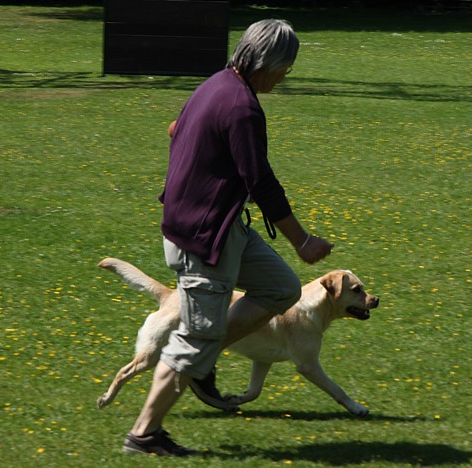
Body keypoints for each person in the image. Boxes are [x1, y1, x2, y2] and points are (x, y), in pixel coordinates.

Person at [122, 19, 334, 457]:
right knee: (194, 341)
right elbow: (261, 182)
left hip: (222, 224)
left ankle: (207, 355)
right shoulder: (242, 107)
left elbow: (174, 129)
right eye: (285, 69)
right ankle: (144, 435)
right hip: (202, 236)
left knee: (281, 288)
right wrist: (302, 240)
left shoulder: (215, 84)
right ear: (268, 63)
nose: (283, 78)